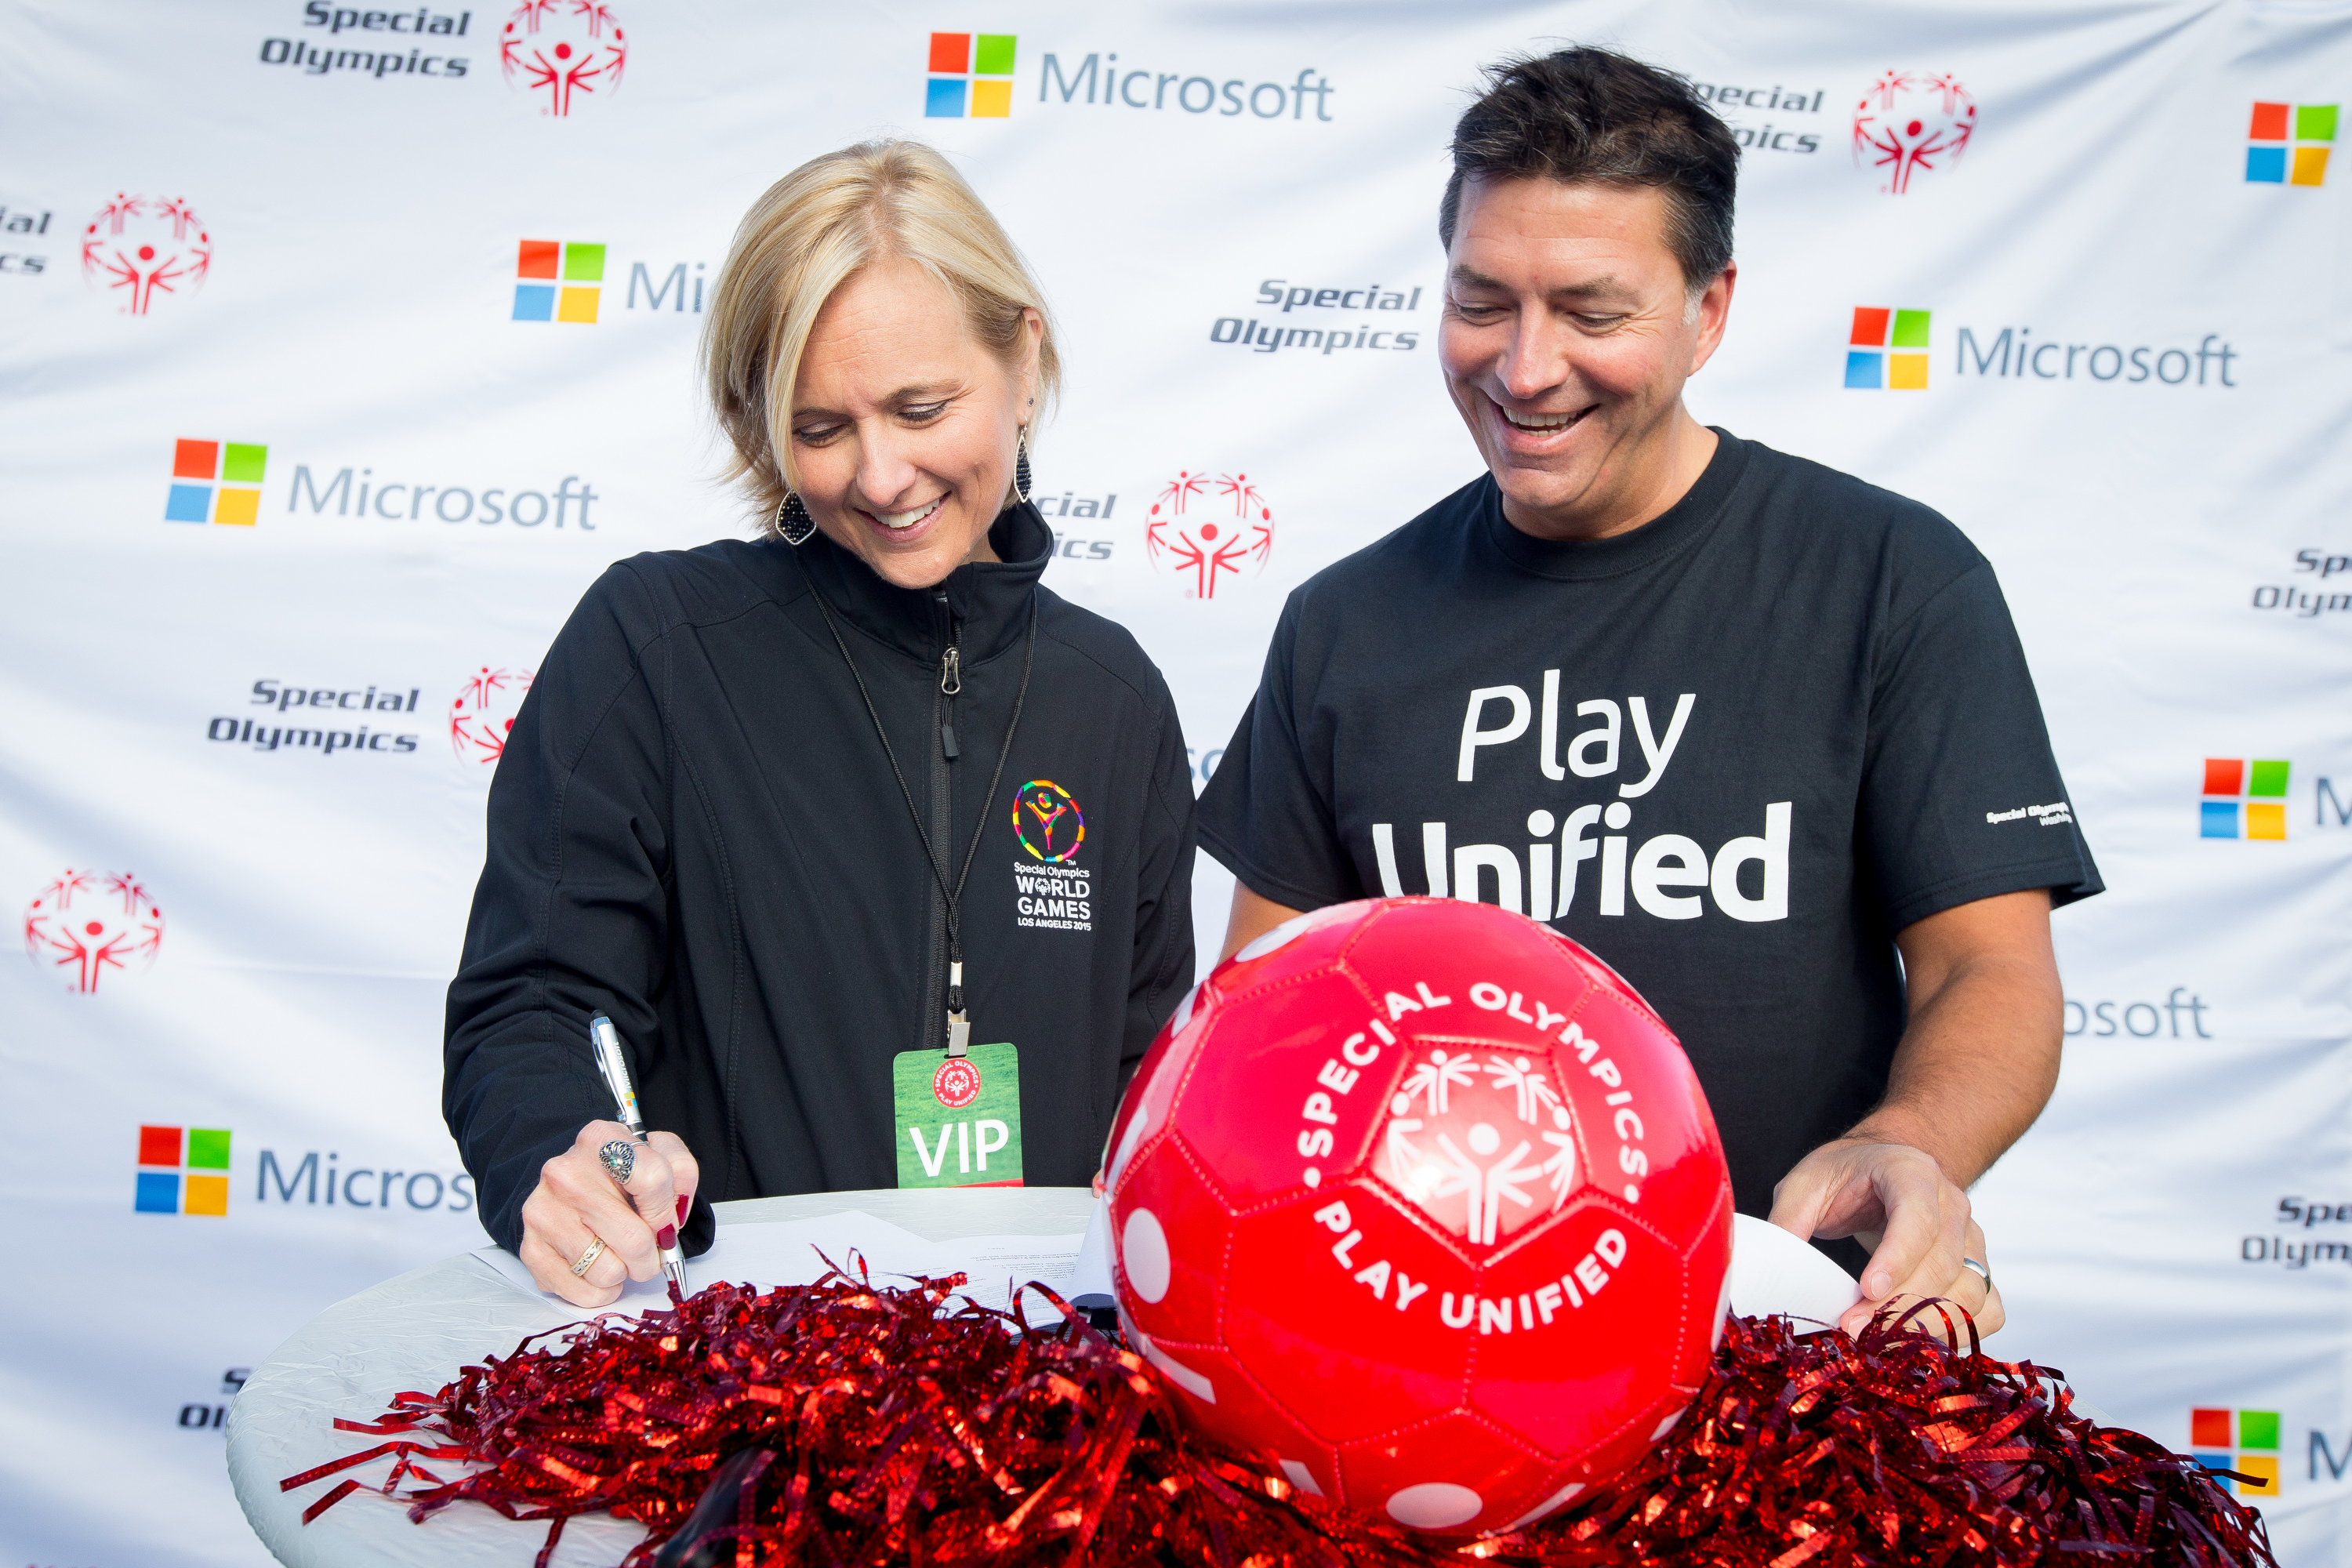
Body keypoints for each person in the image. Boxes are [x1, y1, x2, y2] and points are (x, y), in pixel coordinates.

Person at [1194, 49, 2100, 1336]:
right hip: (1414, 1348)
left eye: (1592, 312)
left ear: (1707, 311)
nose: (1524, 368)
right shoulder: (1342, 623)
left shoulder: (1892, 578)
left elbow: (1988, 968)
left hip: (1781, 1349)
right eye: (1481, 301)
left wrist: (1909, 1140)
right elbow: (1264, 1010)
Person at [445, 140, 1196, 1307]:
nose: (883, 476)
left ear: (1024, 361)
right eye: (822, 428)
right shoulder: (658, 643)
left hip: (1039, 1380)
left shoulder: (1117, 698)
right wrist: (566, 1151)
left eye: (921, 408)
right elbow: (530, 1006)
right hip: (747, 1370)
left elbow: (1153, 1097)